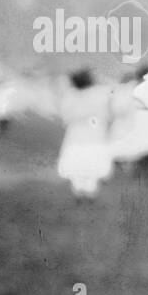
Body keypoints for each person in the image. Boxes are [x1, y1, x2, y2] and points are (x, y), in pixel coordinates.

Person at [56, 69, 113, 200]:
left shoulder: (70, 96)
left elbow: (65, 117)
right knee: (92, 162)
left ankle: (78, 190)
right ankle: (90, 190)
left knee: (77, 162)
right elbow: (106, 112)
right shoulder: (99, 94)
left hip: (76, 133)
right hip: (95, 132)